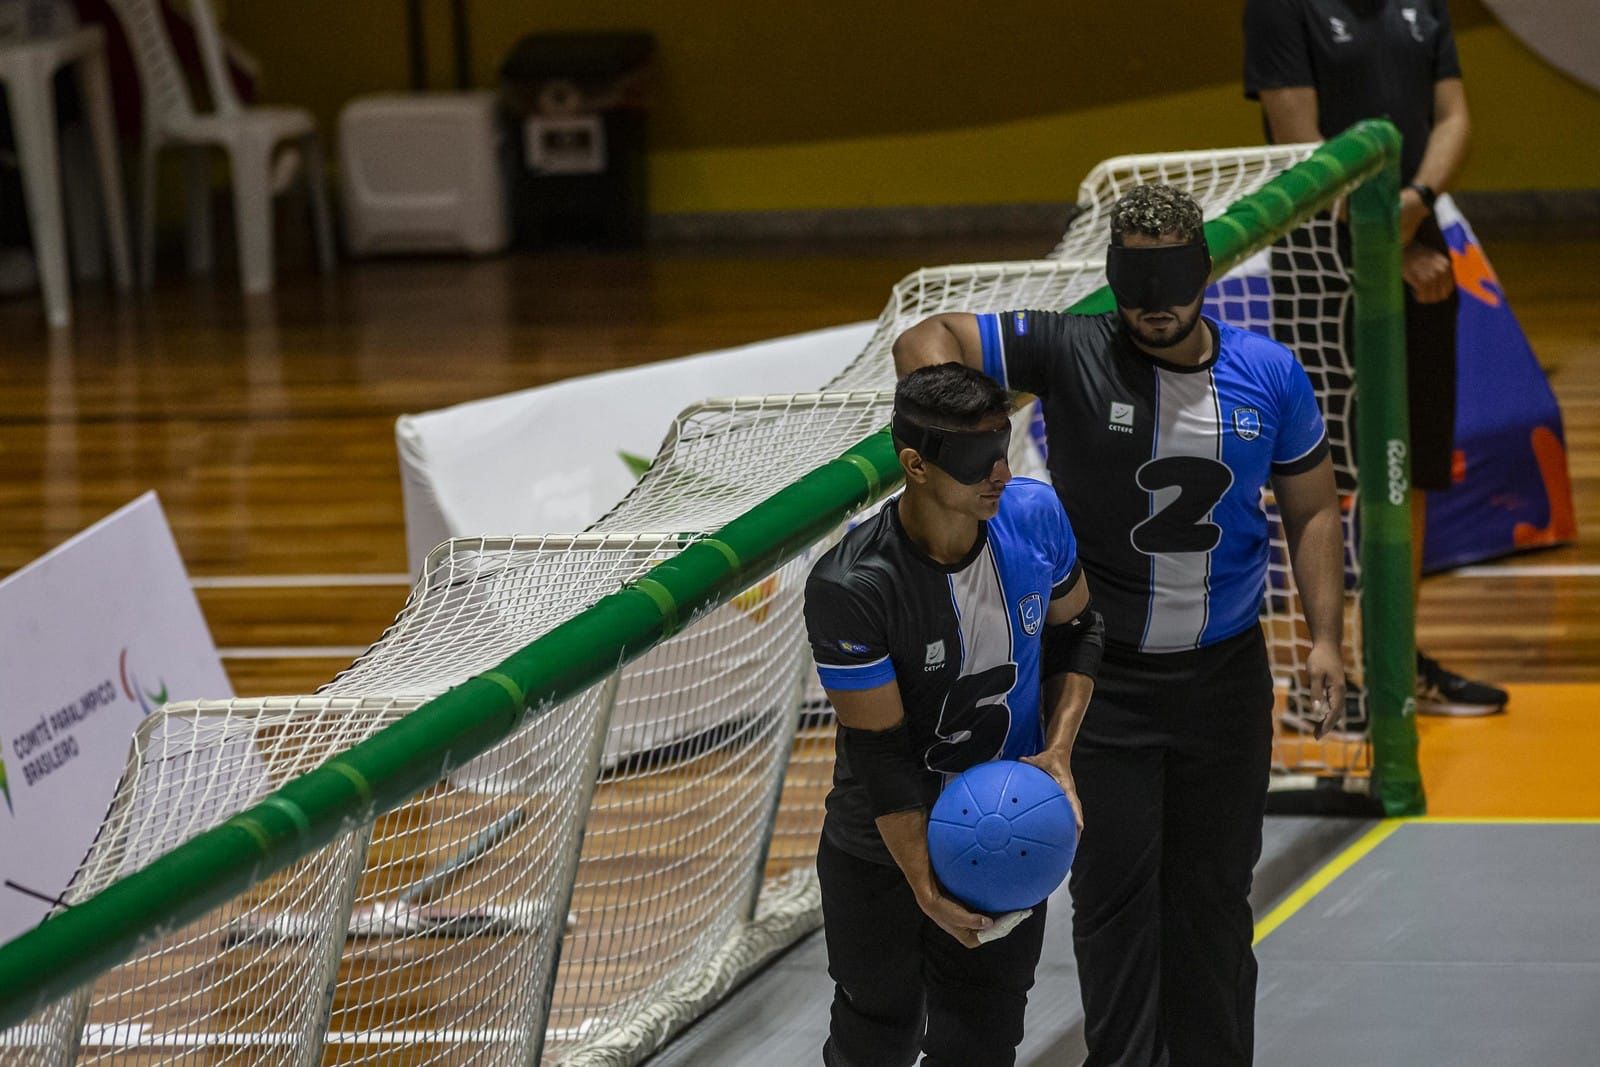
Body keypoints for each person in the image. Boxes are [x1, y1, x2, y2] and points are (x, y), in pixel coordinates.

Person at [892, 183, 1346, 1064]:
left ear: (1205, 273)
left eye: (1172, 282)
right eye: (1134, 285)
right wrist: (970, 435)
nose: (1153, 306)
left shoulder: (1271, 374)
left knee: (1215, 899)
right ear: (1110, 278)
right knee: (1112, 902)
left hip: (1225, 676)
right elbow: (928, 336)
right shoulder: (1069, 347)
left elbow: (1315, 508)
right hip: (1101, 682)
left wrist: (1326, 637)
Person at [805, 361, 1104, 1067]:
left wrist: (1058, 751)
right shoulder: (854, 586)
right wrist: (922, 883)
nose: (999, 471)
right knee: (876, 1033)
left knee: (981, 1042)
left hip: (1006, 838)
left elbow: (1079, 629)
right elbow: (878, 751)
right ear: (915, 463)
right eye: (975, 458)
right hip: (882, 848)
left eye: (1001, 445)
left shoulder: (1033, 515)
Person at [1243, 0, 1508, 717]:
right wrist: (1387, 244)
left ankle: (1394, 661)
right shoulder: (1283, 9)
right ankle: (1319, 679)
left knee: (1409, 467)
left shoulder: (1423, 5)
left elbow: (1453, 115)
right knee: (1320, 477)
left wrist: (1416, 203)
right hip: (1325, 268)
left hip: (1421, 249)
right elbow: (1303, 147)